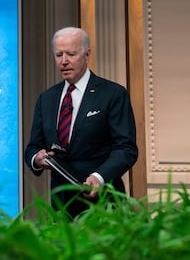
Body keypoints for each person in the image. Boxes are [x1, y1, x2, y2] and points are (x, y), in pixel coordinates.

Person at [24, 27, 138, 218]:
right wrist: (37, 158)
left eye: (71, 53)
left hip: (104, 204)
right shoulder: (46, 99)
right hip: (62, 206)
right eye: (59, 54)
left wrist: (98, 177)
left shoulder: (113, 94)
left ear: (87, 55)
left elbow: (126, 149)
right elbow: (33, 147)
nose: (64, 61)